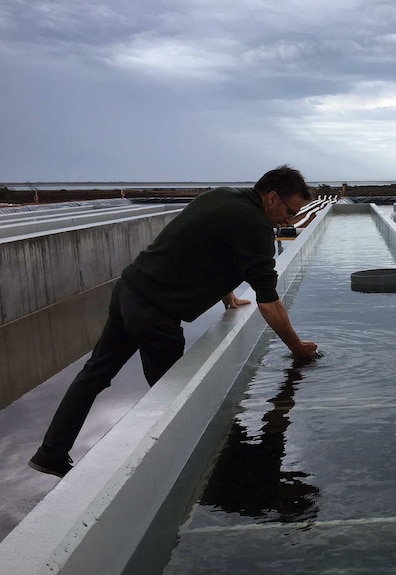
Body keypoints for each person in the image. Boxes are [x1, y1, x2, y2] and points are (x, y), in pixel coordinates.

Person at [28, 165, 318, 478]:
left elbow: (201, 248)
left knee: (94, 375)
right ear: (272, 198)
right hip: (155, 312)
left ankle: (50, 453)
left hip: (129, 290)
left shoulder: (223, 197)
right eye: (290, 211)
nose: (290, 220)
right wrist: (297, 348)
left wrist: (226, 294)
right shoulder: (256, 225)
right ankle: (175, 477)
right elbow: (269, 301)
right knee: (182, 402)